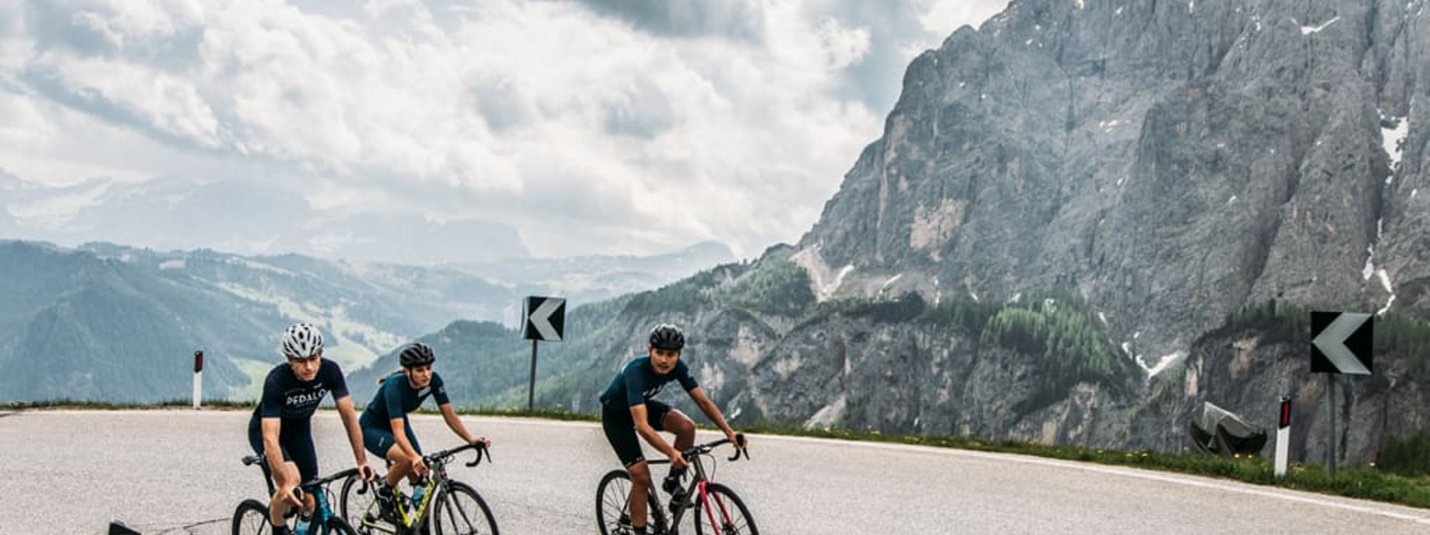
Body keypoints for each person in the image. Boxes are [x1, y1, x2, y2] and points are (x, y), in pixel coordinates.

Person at [599, 323, 747, 535]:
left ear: (679, 355)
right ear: (650, 350)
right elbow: (642, 426)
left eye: (671, 354)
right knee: (641, 477)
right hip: (616, 416)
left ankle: (672, 482)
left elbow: (703, 402)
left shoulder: (678, 368)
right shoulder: (635, 372)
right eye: (659, 353)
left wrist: (730, 433)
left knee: (686, 427)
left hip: (640, 405)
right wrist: (671, 452)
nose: (664, 360)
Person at [248, 323, 375, 535]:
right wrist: (283, 483)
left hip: (300, 432)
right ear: (289, 359)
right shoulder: (276, 381)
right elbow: (270, 438)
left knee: (311, 498)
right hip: (266, 433)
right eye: (300, 361)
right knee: (291, 481)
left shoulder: (330, 371)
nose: (308, 366)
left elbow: (349, 418)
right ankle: (278, 530)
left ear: (320, 354)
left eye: (313, 358)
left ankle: (302, 529)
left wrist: (362, 461)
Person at [360, 342, 490, 522]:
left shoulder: (434, 381)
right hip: (372, 427)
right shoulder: (394, 386)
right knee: (407, 460)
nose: (426, 374)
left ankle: (422, 527)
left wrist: (470, 439)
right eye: (420, 370)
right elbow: (398, 433)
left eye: (428, 368)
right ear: (408, 371)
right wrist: (413, 457)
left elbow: (449, 415)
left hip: (398, 421)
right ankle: (385, 492)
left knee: (423, 477)